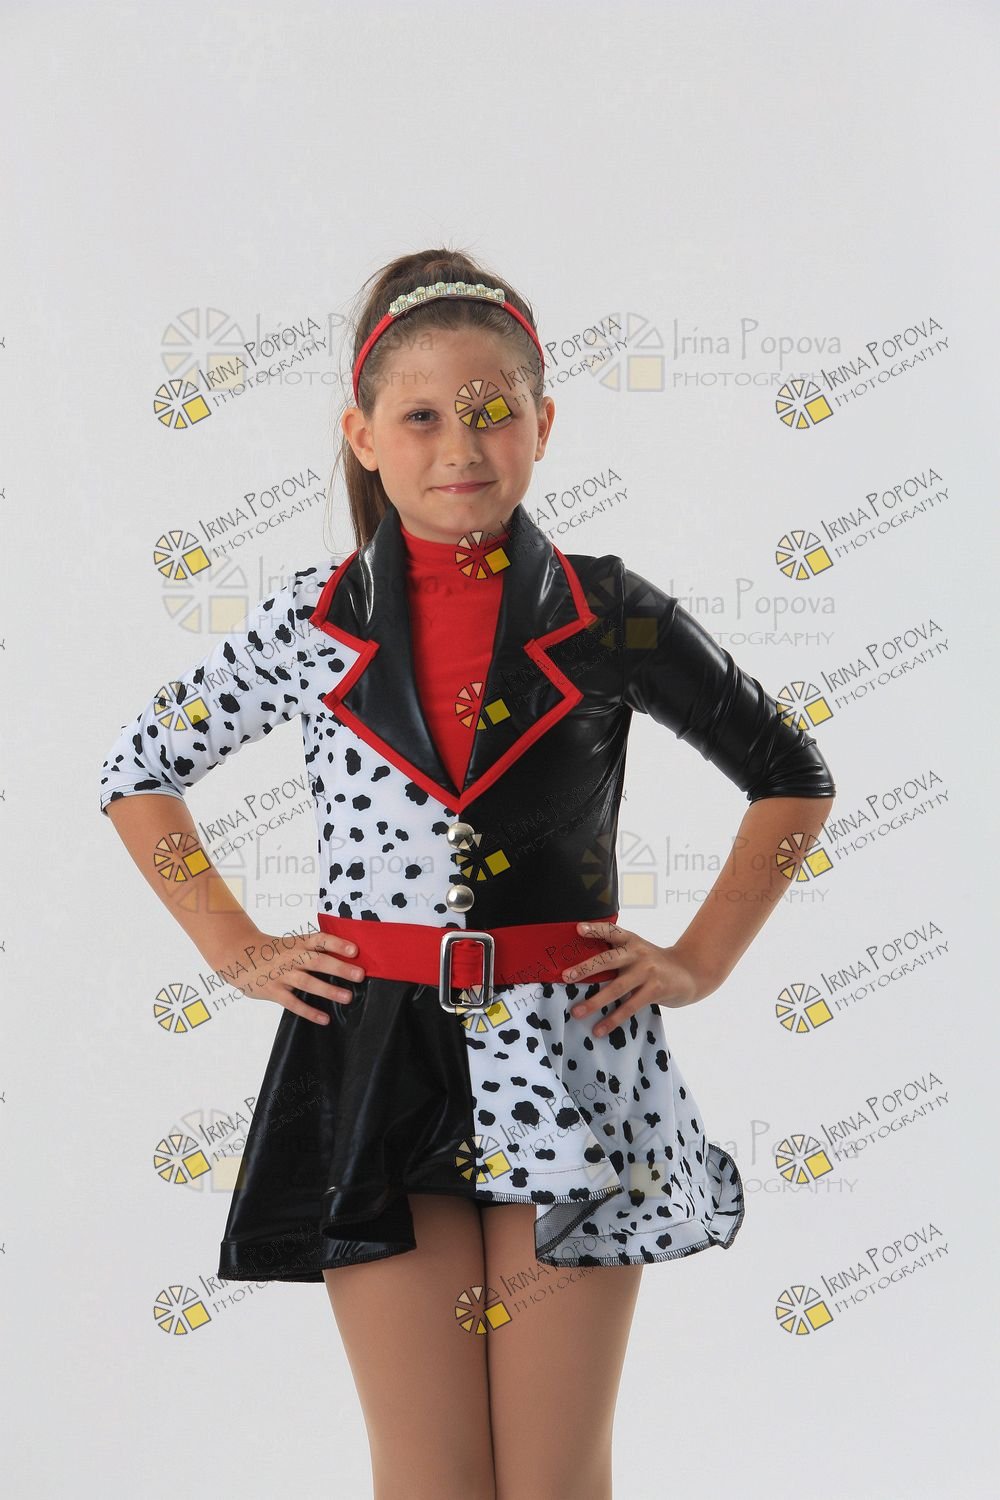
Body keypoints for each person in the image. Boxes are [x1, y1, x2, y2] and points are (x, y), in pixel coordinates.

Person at [99, 248, 836, 1500]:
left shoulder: (613, 613)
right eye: (422, 417)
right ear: (363, 435)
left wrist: (699, 960)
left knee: (551, 1476)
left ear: (543, 426)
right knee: (430, 1473)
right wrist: (234, 946)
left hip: (573, 1053)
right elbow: (139, 772)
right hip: (375, 1054)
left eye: (494, 412)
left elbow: (788, 772)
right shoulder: (307, 620)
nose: (462, 445)